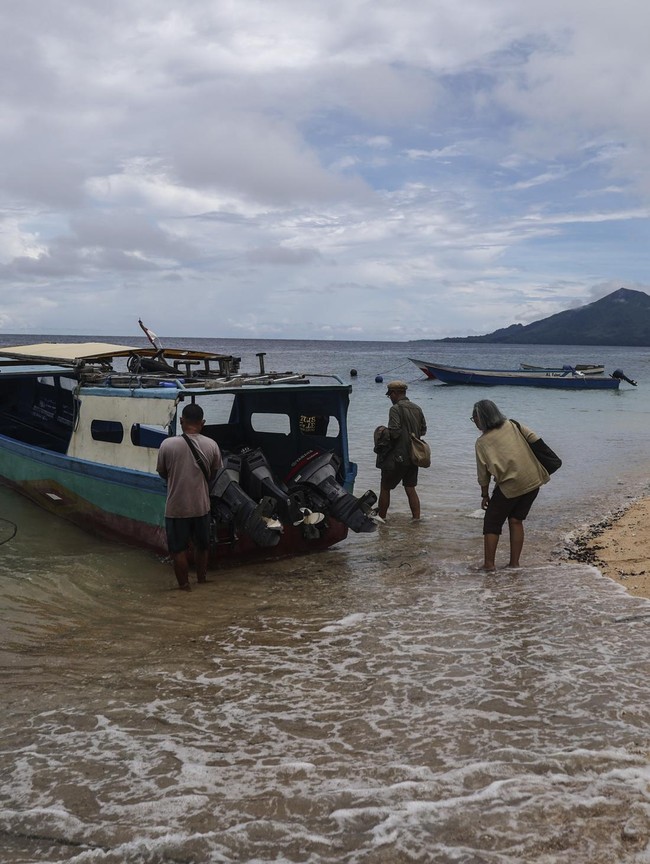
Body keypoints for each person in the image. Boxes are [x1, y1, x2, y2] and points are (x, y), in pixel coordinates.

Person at [471, 399, 549, 570]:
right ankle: (514, 564)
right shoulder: (513, 424)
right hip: (533, 480)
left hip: (510, 485)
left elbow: (482, 475)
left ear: (482, 417)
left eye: (474, 417)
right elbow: (535, 439)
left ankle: (489, 565)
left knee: (491, 522)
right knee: (516, 520)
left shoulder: (482, 443)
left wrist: (484, 495)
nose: (474, 421)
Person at [156, 403, 222, 591]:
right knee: (202, 546)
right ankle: (201, 581)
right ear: (203, 423)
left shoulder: (167, 445)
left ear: (181, 421)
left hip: (176, 508)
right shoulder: (212, 445)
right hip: (201, 506)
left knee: (178, 550)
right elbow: (213, 474)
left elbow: (162, 472)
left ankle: (184, 587)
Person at [376, 381, 427, 521]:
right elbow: (423, 430)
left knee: (385, 487)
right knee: (410, 488)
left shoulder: (395, 409)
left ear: (394, 393)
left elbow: (395, 432)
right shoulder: (417, 408)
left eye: (390, 395)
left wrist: (382, 431)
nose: (390, 398)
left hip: (397, 456)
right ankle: (416, 520)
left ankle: (381, 519)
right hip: (413, 456)